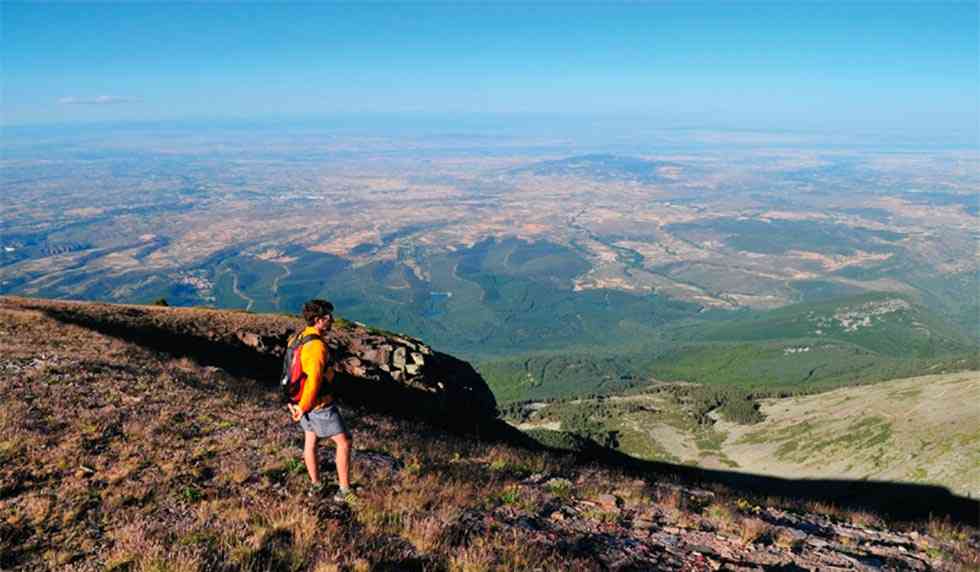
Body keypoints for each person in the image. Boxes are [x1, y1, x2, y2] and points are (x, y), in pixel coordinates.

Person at [286, 299, 355, 503]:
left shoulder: (298, 338)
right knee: (344, 442)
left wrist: (296, 404)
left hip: (299, 401)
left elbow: (292, 372)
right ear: (317, 320)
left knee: (311, 440)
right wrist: (304, 406)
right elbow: (314, 380)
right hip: (317, 404)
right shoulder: (316, 346)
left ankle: (316, 486)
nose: (332, 320)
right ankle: (344, 491)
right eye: (327, 317)